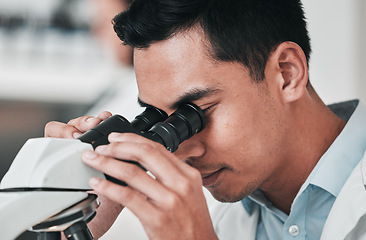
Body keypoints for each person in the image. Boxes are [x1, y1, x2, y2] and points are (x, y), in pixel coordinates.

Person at [45, 0, 366, 239]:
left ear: (286, 74)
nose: (182, 151)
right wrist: (70, 226)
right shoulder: (210, 213)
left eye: (196, 113)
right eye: (160, 120)